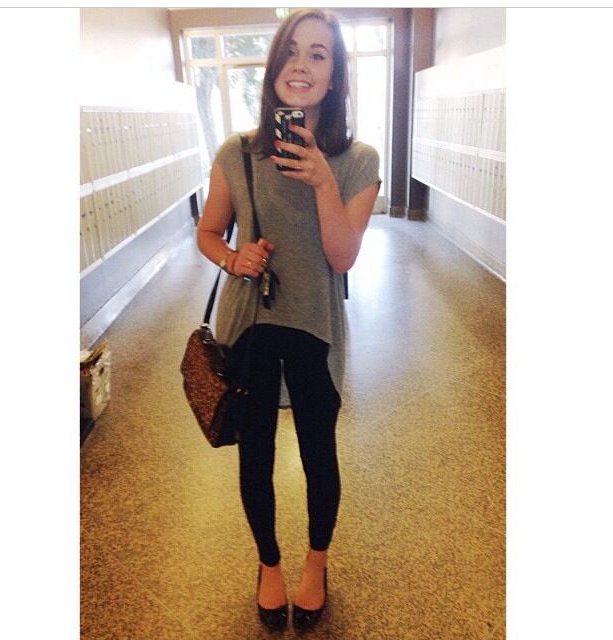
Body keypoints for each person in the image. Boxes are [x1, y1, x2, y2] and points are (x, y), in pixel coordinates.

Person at [196, 8, 380, 632]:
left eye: (319, 55)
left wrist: (324, 184)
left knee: (318, 449)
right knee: (255, 452)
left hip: (315, 325)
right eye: (291, 51)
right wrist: (233, 257)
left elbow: (342, 257)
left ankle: (316, 563)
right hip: (249, 320)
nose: (302, 65)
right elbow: (208, 231)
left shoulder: (357, 161)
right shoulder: (237, 153)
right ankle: (268, 564)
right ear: (274, 64)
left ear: (334, 76)